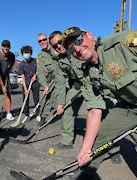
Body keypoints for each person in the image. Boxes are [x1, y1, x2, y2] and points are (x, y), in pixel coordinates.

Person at [62, 26, 137, 178]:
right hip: (129, 107)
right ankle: (85, 175)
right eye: (72, 49)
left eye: (79, 41)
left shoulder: (124, 42)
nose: (77, 49)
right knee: (101, 136)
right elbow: (94, 110)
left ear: (90, 36)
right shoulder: (87, 74)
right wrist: (85, 150)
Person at [49, 31, 122, 162]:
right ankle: (66, 141)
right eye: (55, 46)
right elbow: (60, 83)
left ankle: (113, 148)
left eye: (60, 42)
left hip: (93, 82)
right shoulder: (59, 62)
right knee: (67, 110)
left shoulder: (79, 49)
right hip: (77, 87)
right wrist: (60, 103)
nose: (59, 47)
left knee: (105, 114)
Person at [36, 33, 67, 126]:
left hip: (66, 76)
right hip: (54, 79)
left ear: (47, 40)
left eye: (44, 39)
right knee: (47, 98)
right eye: (40, 41)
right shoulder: (40, 56)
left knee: (65, 100)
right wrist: (45, 85)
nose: (42, 42)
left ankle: (69, 122)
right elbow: (40, 72)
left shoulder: (56, 46)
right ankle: (43, 117)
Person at [0, 40, 16, 122]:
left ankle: (8, 113)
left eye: (7, 46)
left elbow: (12, 63)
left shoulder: (12, 55)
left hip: (5, 76)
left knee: (8, 94)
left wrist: (8, 70)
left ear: (9, 47)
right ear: (1, 46)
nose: (6, 48)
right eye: (4, 46)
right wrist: (2, 86)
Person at [17, 45, 41, 123]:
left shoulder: (35, 61)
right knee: (25, 99)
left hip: (35, 82)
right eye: (25, 53)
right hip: (26, 83)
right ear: (22, 54)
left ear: (31, 53)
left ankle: (38, 114)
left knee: (36, 99)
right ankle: (26, 114)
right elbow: (22, 76)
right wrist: (25, 89)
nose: (27, 54)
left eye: (28, 52)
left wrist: (35, 75)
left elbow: (39, 69)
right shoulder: (21, 64)